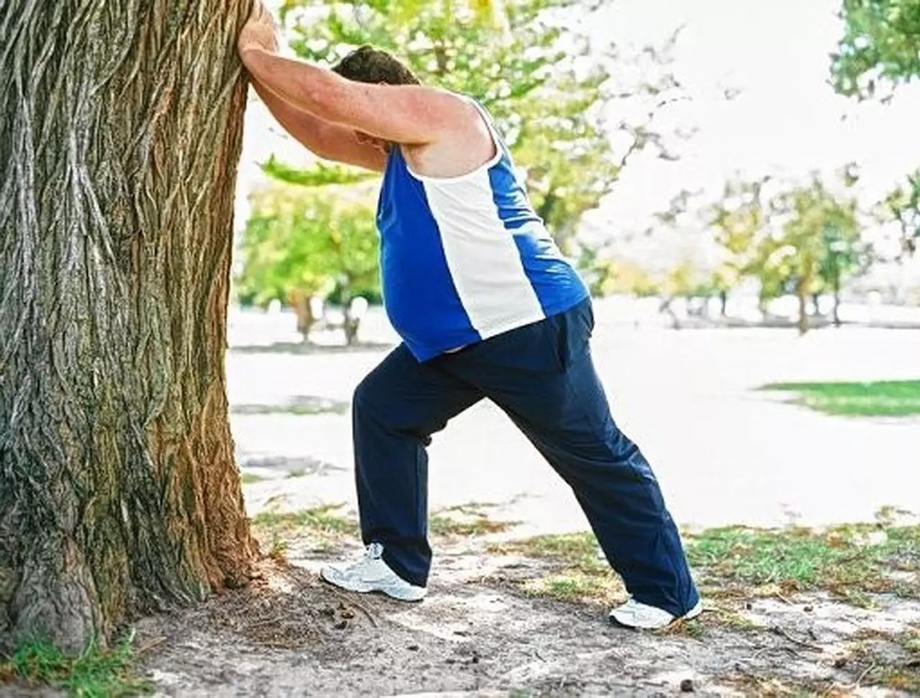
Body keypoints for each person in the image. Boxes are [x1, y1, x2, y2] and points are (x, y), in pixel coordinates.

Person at [237, 3, 701, 630]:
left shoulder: (445, 116)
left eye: (365, 122)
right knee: (383, 409)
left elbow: (324, 95)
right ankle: (397, 563)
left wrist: (258, 51)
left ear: (382, 96)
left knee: (594, 454)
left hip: (524, 327)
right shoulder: (402, 151)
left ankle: (668, 592)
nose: (362, 143)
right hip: (457, 343)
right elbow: (319, 130)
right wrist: (259, 74)